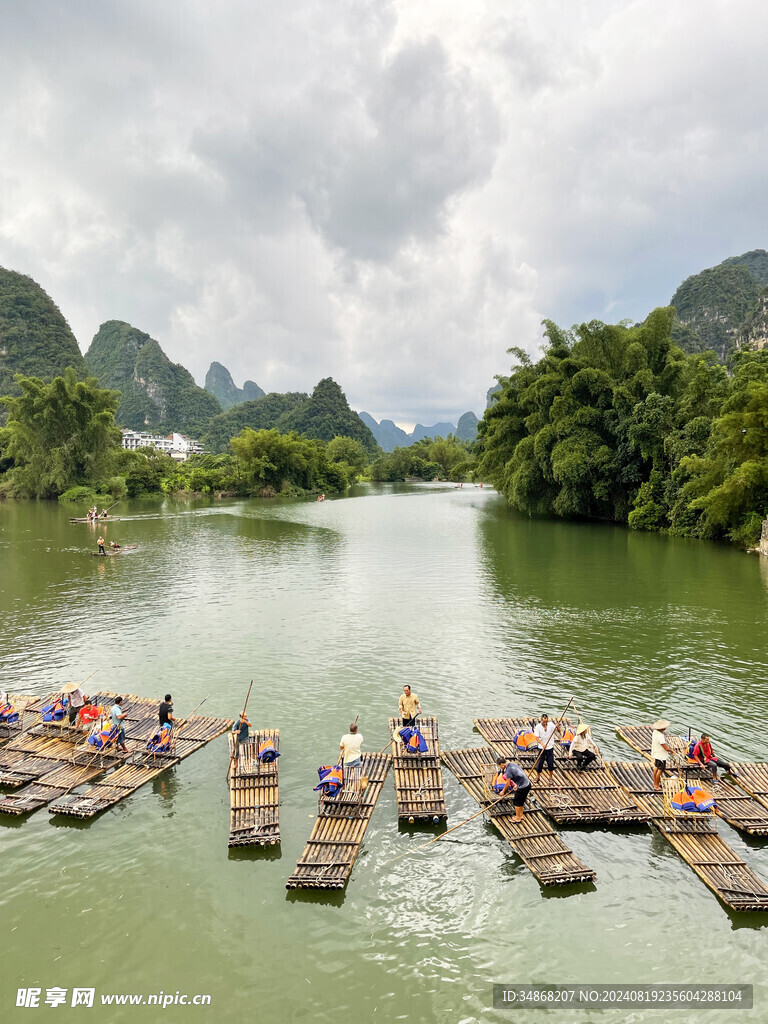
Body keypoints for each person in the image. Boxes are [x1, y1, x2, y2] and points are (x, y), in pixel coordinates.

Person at [495, 756, 532, 821]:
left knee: (516, 802)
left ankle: (517, 818)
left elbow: (507, 783)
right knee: (521, 800)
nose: (499, 767)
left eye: (499, 766)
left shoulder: (508, 771)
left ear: (502, 765)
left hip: (523, 787)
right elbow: (520, 774)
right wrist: (517, 785)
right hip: (527, 784)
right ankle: (520, 815)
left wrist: (503, 791)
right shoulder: (513, 764)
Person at [532, 713, 561, 782]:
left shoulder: (551, 725)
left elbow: (559, 731)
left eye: (546, 722)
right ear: (541, 720)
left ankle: (550, 778)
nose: (545, 723)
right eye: (544, 722)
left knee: (550, 763)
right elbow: (536, 737)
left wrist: (557, 727)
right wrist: (542, 744)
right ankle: (538, 777)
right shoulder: (538, 727)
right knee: (540, 764)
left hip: (550, 747)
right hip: (542, 748)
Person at [651, 719, 672, 790]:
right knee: (660, 770)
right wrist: (671, 750)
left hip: (656, 753)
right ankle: (656, 786)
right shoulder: (660, 736)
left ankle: (655, 783)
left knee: (656, 767)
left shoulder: (655, 732)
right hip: (661, 756)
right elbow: (665, 747)